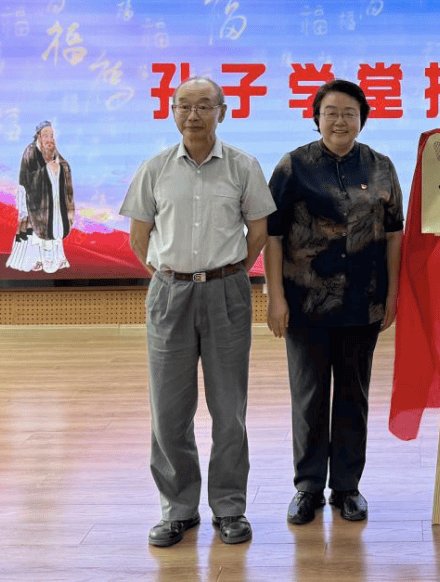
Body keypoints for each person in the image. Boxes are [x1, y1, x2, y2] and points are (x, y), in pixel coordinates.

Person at [119, 77, 275, 547]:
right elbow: (139, 236)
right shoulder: (155, 169)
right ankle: (178, 509)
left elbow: (258, 231)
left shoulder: (244, 166)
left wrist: (230, 273)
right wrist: (170, 277)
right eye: (184, 106)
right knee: (169, 411)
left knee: (229, 410)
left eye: (204, 106)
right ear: (172, 112)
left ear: (221, 112)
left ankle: (229, 507)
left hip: (227, 293)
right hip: (171, 294)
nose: (193, 115)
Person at [264, 79, 403, 525]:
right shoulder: (293, 166)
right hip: (305, 302)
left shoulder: (381, 167)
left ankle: (347, 487)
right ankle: (308, 487)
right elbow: (272, 235)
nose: (340, 121)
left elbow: (394, 234)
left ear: (362, 119)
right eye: (331, 112)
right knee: (308, 396)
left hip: (363, 301)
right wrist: (275, 296)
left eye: (349, 113)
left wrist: (393, 293)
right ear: (316, 118)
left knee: (352, 395)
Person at [6, 120, 74, 273]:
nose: (49, 139)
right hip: (33, 202)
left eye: (51, 135)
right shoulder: (30, 151)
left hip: (51, 202)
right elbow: (27, 178)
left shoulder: (52, 150)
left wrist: (59, 169)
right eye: (46, 135)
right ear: (38, 136)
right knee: (33, 233)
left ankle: (56, 258)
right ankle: (35, 260)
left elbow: (64, 165)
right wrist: (47, 170)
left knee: (54, 225)